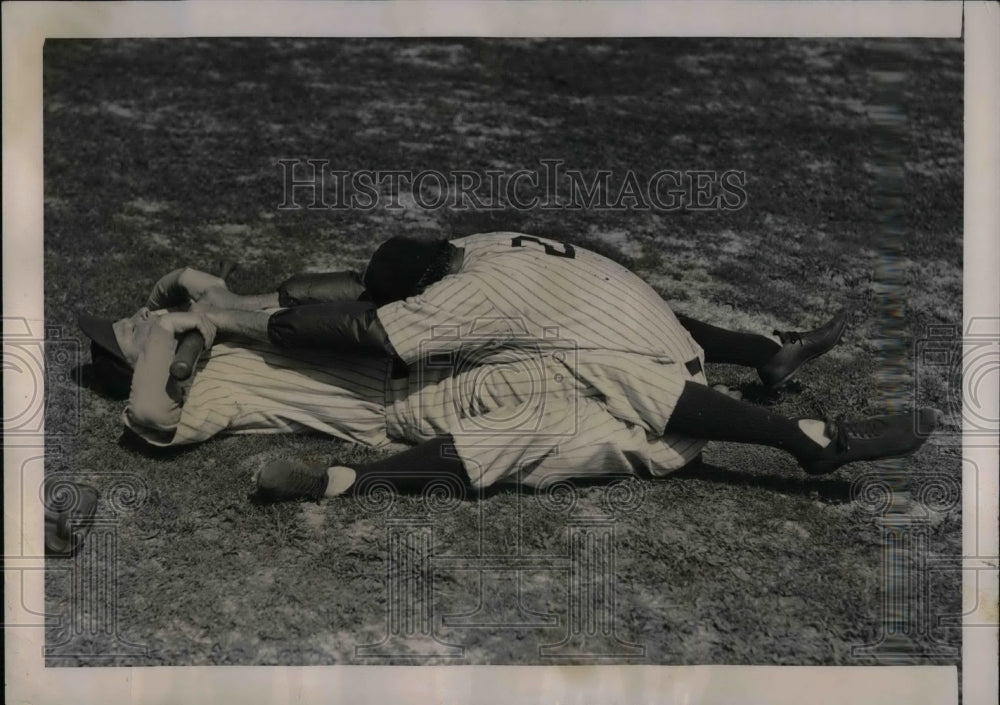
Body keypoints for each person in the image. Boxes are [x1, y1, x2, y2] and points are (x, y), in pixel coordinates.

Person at [80, 233, 938, 504]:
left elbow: (293, 302)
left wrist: (190, 302)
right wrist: (167, 335)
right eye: (129, 331)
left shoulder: (241, 329)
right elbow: (154, 419)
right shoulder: (216, 385)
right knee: (606, 441)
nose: (140, 320)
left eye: (130, 319)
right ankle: (349, 481)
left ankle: (810, 438)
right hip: (412, 413)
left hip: (444, 368)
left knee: (610, 376)